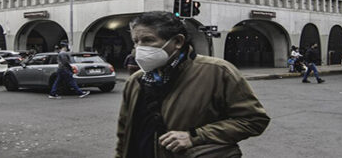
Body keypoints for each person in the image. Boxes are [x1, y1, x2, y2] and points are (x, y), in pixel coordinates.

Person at [115, 11, 270, 158]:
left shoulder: (218, 72)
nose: (139, 48)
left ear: (177, 41)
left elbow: (254, 120)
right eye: (136, 41)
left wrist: (195, 136)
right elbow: (124, 134)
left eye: (148, 40)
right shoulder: (135, 81)